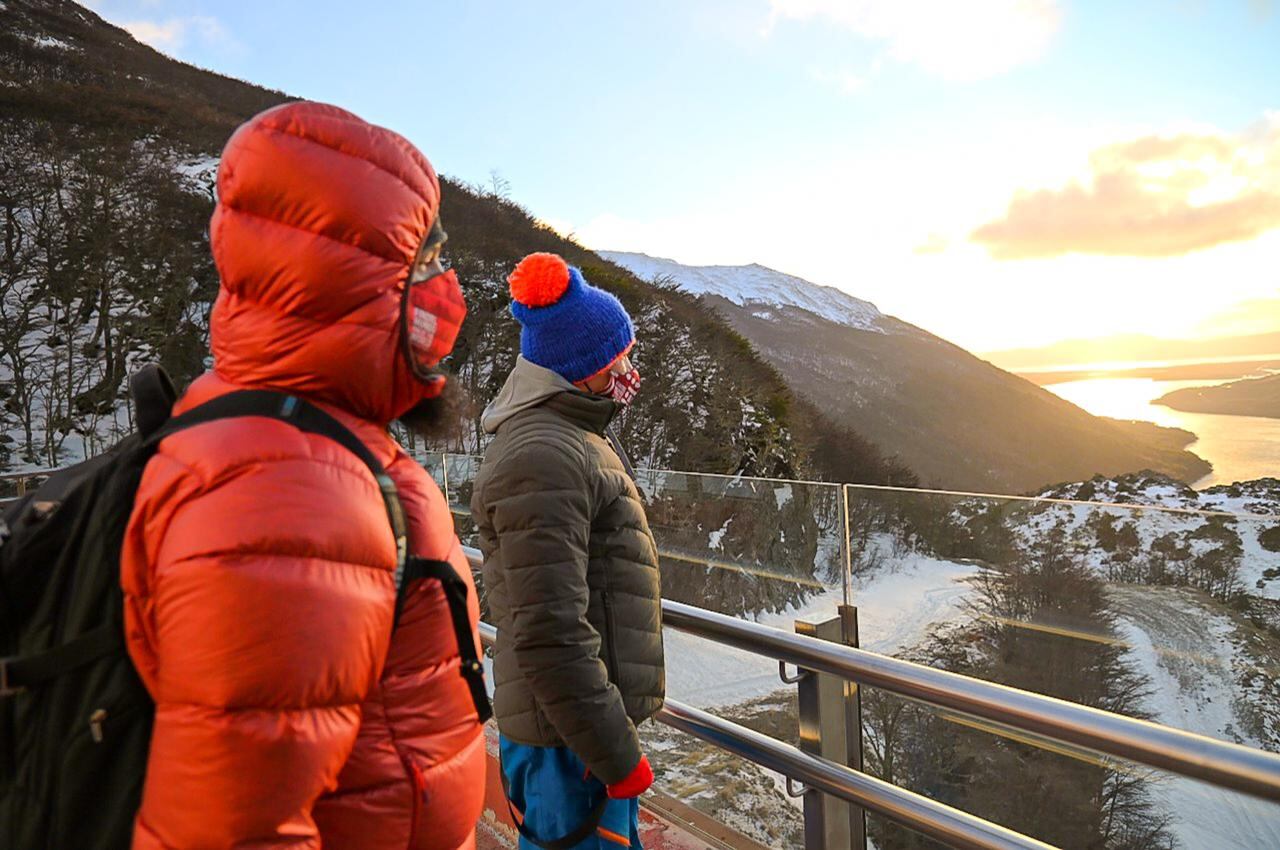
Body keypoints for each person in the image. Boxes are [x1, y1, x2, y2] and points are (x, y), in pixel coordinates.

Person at [119, 101, 486, 850]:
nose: (446, 290)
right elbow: (229, 828)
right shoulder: (289, 486)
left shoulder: (310, 441)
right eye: (425, 262)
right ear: (346, 279)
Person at [472, 252, 664, 849]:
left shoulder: (565, 437)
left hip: (569, 737)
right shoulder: (545, 455)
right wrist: (613, 753)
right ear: (582, 368)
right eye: (618, 359)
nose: (628, 370)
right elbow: (549, 629)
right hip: (571, 748)